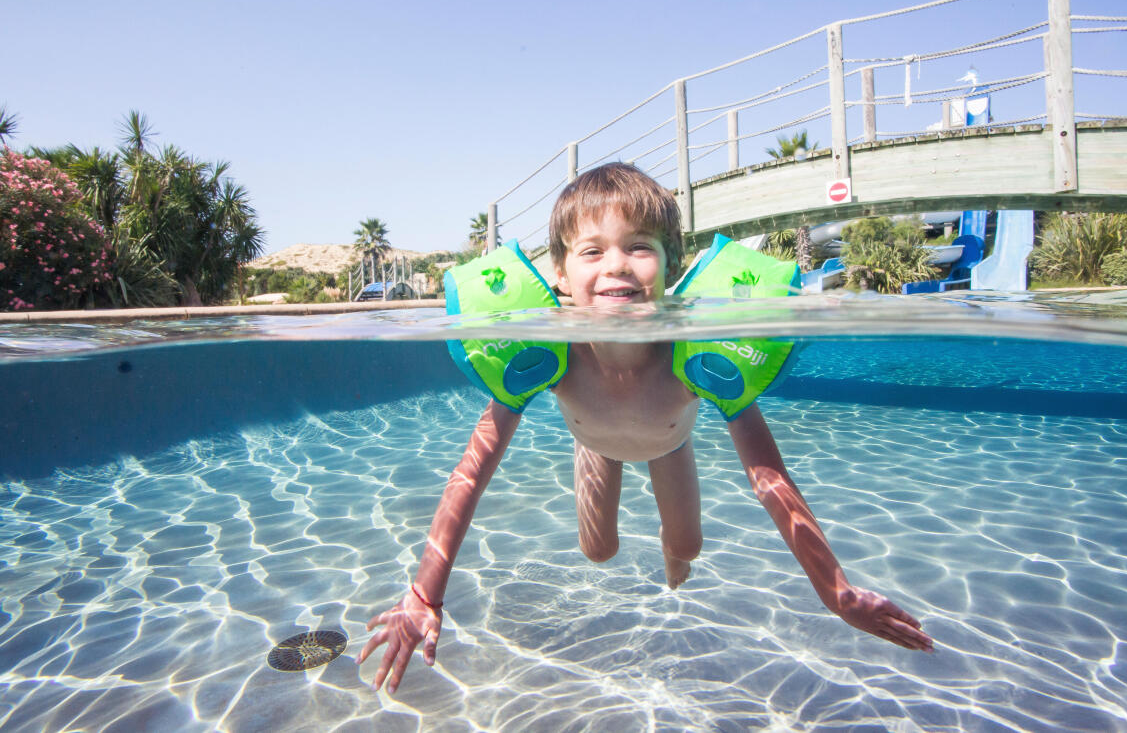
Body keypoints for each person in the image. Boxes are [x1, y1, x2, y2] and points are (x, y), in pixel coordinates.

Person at [357, 163, 933, 693]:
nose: (616, 266)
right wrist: (422, 594)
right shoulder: (549, 355)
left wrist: (837, 593)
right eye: (592, 251)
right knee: (599, 551)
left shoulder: (697, 355)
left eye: (639, 247)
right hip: (595, 442)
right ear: (558, 272)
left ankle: (671, 553)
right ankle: (597, 456)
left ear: (671, 265)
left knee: (687, 547)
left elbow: (770, 481)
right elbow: (470, 473)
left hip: (670, 442)